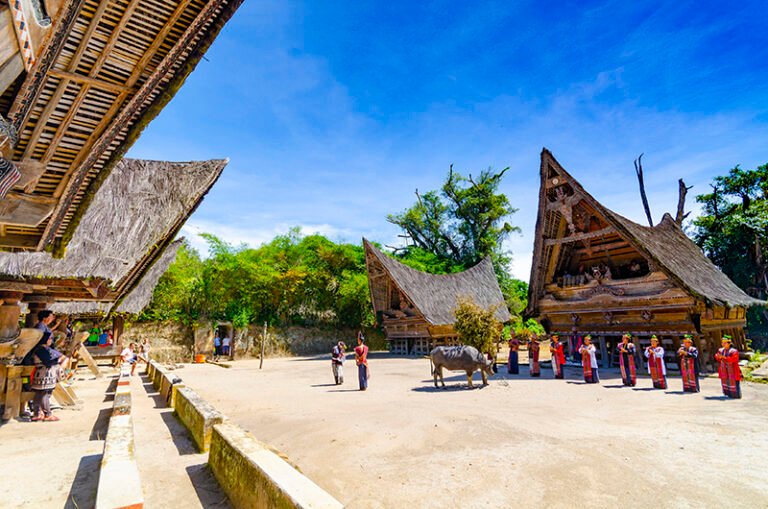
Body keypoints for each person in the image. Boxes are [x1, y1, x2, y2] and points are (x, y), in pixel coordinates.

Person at [29, 333, 68, 421]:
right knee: (44, 393)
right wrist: (57, 360)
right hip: (44, 373)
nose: (51, 341)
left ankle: (37, 414)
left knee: (39, 393)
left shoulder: (42, 348)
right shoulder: (41, 349)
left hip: (41, 373)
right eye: (49, 339)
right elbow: (48, 361)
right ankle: (47, 414)